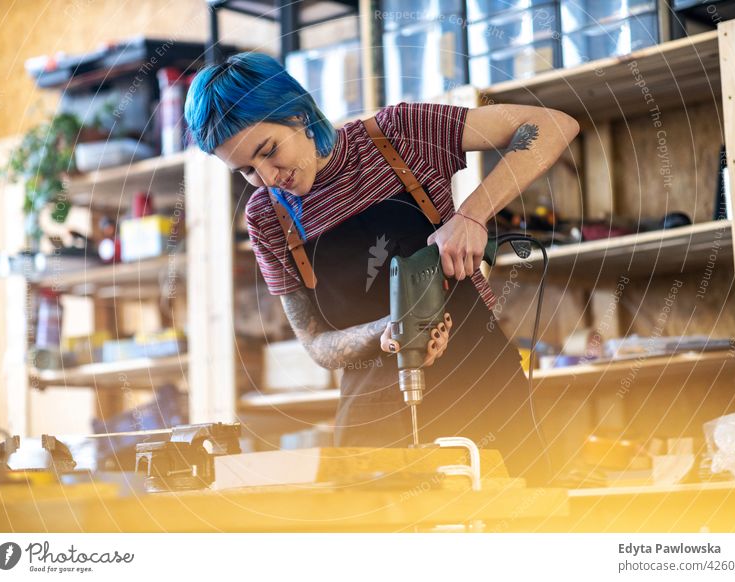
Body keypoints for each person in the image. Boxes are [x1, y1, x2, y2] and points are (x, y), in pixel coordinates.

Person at [185, 53, 579, 484]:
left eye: (268, 151)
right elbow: (317, 346)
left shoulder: (399, 134)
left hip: (481, 384)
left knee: (520, 520)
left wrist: (471, 216)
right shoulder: (266, 217)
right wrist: (389, 331)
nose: (267, 176)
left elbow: (553, 125)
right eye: (246, 170)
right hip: (374, 417)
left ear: (297, 114)